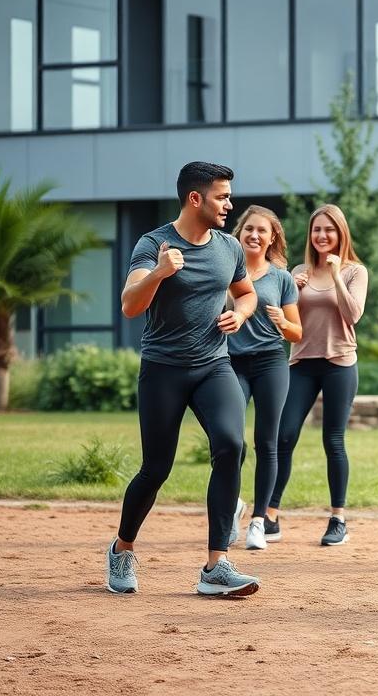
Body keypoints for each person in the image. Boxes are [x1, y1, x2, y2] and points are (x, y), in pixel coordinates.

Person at [105, 161, 261, 597]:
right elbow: (129, 306)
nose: (230, 204)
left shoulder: (228, 247)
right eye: (222, 196)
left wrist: (240, 313)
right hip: (163, 369)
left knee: (231, 446)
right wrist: (159, 272)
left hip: (213, 365)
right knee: (156, 468)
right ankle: (122, 548)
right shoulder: (153, 243)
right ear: (196, 198)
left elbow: (246, 292)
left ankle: (217, 565)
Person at [267, 204, 368, 546]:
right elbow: (286, 320)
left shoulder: (355, 272)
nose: (322, 236)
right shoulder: (298, 271)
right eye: (317, 230)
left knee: (333, 440)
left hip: (340, 362)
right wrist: (291, 290)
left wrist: (337, 274)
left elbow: (353, 315)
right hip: (302, 363)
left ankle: (338, 518)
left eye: (329, 230)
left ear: (341, 233)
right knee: (284, 436)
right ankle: (270, 515)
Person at [226, 205, 302, 550]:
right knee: (228, 439)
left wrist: (281, 322)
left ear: (273, 239)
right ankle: (230, 507)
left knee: (266, 442)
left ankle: (258, 520)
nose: (254, 236)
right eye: (249, 230)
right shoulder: (224, 271)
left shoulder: (281, 279)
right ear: (240, 233)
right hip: (231, 362)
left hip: (271, 362)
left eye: (262, 231)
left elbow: (296, 332)